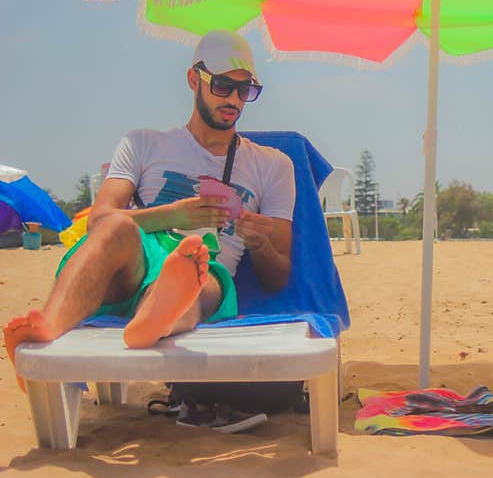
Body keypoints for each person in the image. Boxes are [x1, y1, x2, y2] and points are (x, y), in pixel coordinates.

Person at [3, 30, 296, 416]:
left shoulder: (273, 165)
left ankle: (154, 316)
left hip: (204, 267)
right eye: (224, 85)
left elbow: (279, 276)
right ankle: (48, 330)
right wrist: (173, 215)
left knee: (201, 272)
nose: (234, 100)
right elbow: (99, 220)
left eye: (246, 90)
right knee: (117, 228)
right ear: (194, 79)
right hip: (134, 260)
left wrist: (259, 242)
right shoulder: (143, 144)